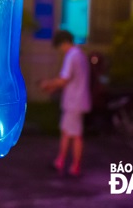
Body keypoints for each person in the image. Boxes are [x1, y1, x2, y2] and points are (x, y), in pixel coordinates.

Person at [40, 30, 91, 177]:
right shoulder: (80, 54)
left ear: (63, 43)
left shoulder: (72, 56)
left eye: (60, 46)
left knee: (74, 135)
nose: (61, 50)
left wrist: (48, 84)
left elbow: (64, 79)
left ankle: (73, 166)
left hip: (74, 102)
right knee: (68, 132)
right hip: (78, 101)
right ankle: (61, 161)